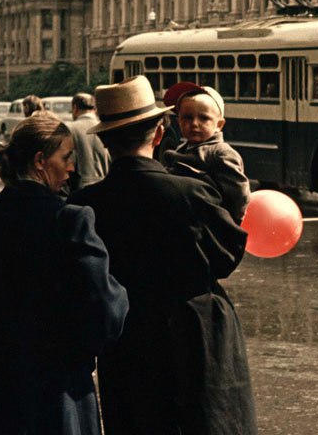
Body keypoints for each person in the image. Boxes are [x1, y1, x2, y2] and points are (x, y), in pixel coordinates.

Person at [68, 76, 256, 435]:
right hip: (196, 334)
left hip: (126, 340)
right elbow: (227, 257)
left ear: (105, 141)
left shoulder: (84, 205)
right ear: (159, 133)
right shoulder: (192, 192)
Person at [0, 114, 128, 435]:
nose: (71, 169)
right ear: (40, 161)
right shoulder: (71, 221)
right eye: (66, 158)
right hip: (55, 399)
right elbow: (107, 313)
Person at [160, 82, 250, 222]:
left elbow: (238, 197)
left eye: (204, 118)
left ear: (219, 125)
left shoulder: (221, 153)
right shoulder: (181, 149)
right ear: (179, 122)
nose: (194, 123)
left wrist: (228, 226)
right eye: (187, 117)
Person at [67, 93, 110, 192]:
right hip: (107, 188)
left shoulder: (69, 129)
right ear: (95, 109)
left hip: (80, 190)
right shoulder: (107, 127)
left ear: (75, 107)